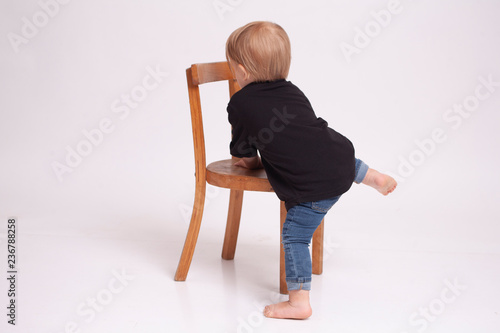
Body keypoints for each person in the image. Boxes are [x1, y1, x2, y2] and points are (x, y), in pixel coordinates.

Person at [225, 21, 397, 320]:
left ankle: (298, 302)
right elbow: (302, 137)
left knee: (295, 237)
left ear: (243, 71)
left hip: (313, 188)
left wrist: (250, 161)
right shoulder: (292, 90)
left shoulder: (240, 103)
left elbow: (242, 147)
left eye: (233, 70)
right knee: (326, 156)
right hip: (339, 156)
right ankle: (372, 177)